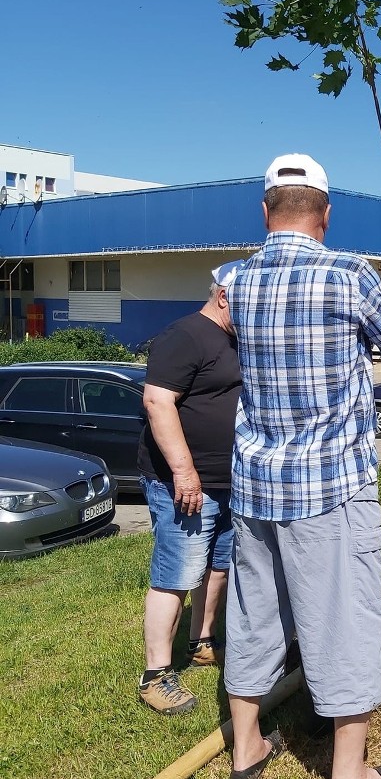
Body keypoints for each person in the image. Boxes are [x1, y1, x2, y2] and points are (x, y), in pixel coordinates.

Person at [224, 153, 381, 779]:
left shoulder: (236, 279)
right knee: (344, 618)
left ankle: (246, 748)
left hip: (256, 483)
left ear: (265, 211)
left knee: (255, 612)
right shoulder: (348, 275)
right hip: (328, 487)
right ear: (325, 213)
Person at [137, 261, 244, 714]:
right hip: (183, 484)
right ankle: (156, 675)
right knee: (176, 575)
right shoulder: (184, 335)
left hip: (227, 482)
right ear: (222, 296)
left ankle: (203, 641)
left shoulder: (232, 339)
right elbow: (157, 402)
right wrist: (184, 472)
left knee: (218, 567)